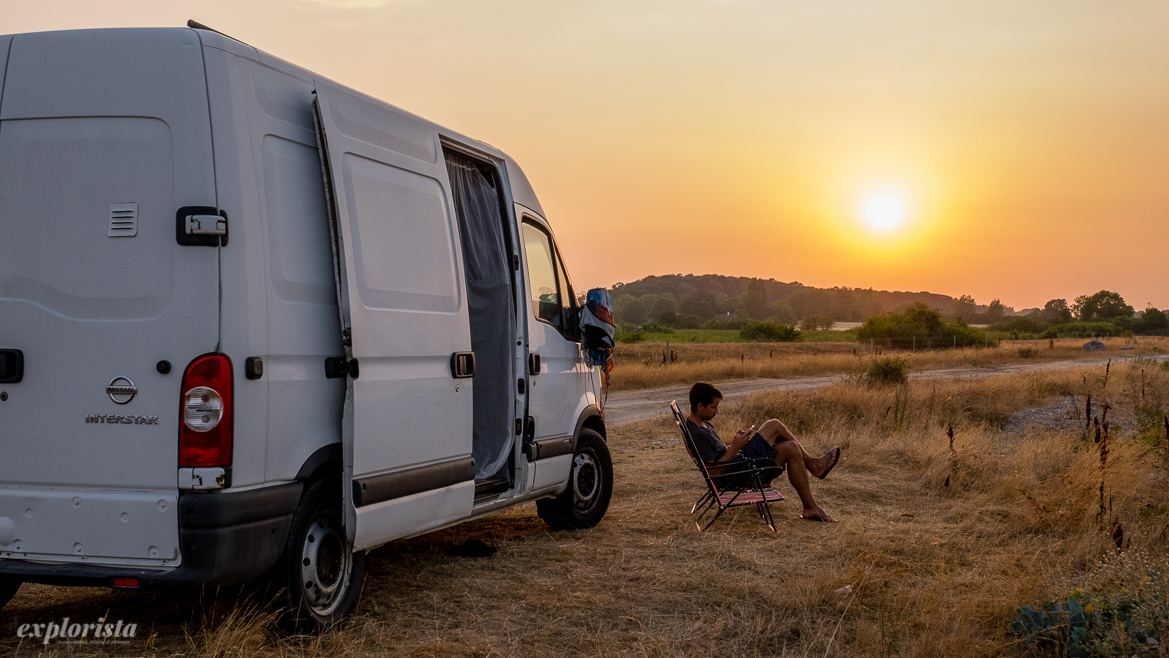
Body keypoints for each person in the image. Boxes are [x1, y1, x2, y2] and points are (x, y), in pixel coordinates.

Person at [686, 381, 839, 522]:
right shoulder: (698, 434)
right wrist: (734, 447)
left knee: (791, 447)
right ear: (700, 406)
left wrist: (735, 443)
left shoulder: (703, 424)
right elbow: (713, 474)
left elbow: (718, 453)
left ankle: (810, 508)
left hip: (739, 464)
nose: (717, 411)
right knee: (774, 425)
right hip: (737, 474)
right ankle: (814, 465)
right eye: (713, 407)